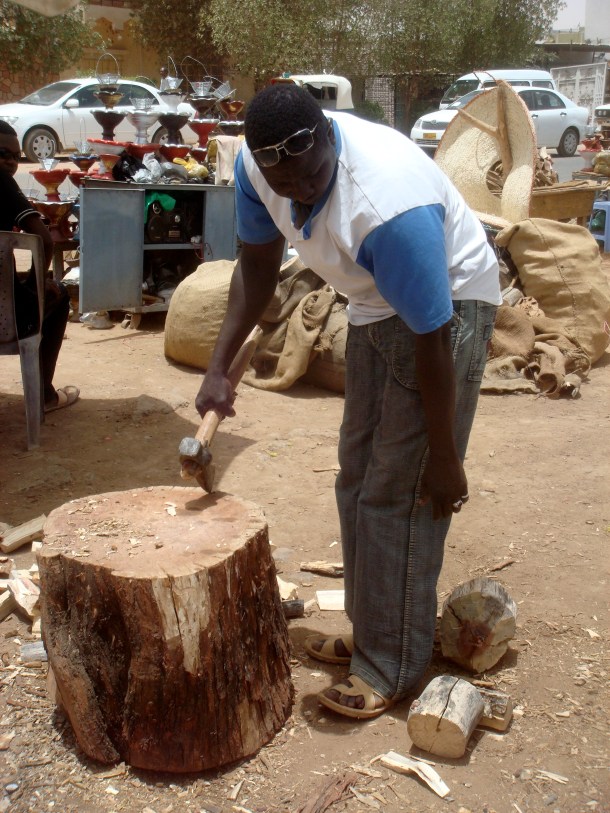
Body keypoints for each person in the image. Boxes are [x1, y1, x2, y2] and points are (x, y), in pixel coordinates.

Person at [195, 84, 501, 719]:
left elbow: (432, 336)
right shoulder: (256, 167)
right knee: (357, 475)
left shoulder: (387, 206)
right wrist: (218, 367)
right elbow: (257, 268)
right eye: (287, 183)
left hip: (447, 302)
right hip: (370, 303)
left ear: (330, 137)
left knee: (401, 487)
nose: (302, 190)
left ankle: (391, 665)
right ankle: (374, 634)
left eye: (313, 175)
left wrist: (445, 457)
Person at [0, 120, 79, 412]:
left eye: (15, 156)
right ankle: (44, 395)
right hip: (5, 318)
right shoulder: (3, 183)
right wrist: (37, 287)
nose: (10, 162)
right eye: (3, 154)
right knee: (58, 293)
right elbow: (44, 239)